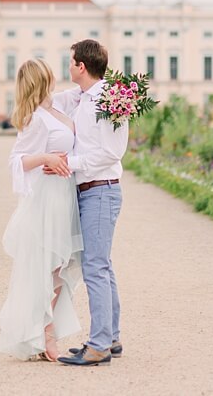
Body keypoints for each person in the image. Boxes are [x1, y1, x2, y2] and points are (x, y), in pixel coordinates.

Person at [0, 57, 84, 362]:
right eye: (49, 73)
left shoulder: (57, 109)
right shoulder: (35, 118)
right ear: (41, 79)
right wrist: (46, 157)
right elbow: (16, 159)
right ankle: (44, 335)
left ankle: (46, 331)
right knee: (48, 266)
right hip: (48, 198)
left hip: (65, 194)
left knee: (60, 265)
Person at [50, 39, 128, 367]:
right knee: (101, 264)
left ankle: (98, 345)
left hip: (100, 189)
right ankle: (110, 337)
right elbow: (48, 101)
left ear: (81, 66)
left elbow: (112, 152)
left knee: (95, 266)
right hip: (92, 190)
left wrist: (70, 161)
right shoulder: (83, 97)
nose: (68, 67)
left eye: (70, 62)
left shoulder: (110, 100)